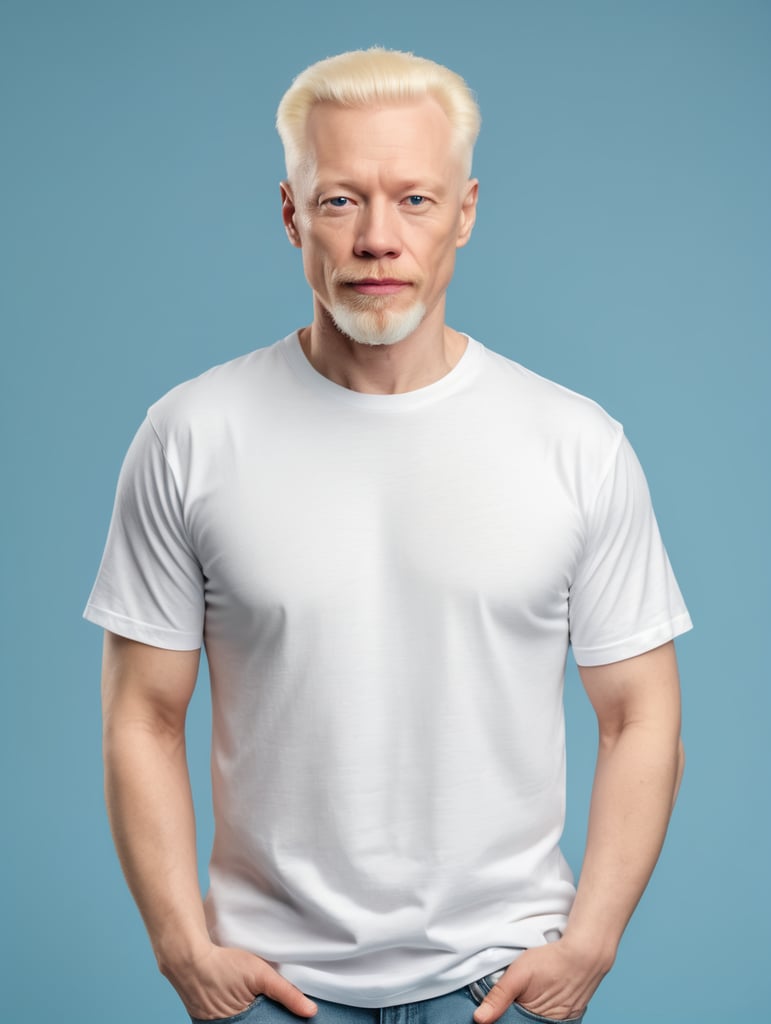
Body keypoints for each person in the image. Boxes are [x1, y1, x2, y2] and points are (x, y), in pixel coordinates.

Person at [85, 48, 692, 1024]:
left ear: (466, 211)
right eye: (339, 201)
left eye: (414, 198)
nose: (377, 237)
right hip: (272, 989)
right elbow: (142, 717)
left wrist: (590, 943)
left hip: (501, 981)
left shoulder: (577, 444)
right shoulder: (190, 435)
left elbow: (640, 716)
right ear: (290, 213)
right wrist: (182, 951)